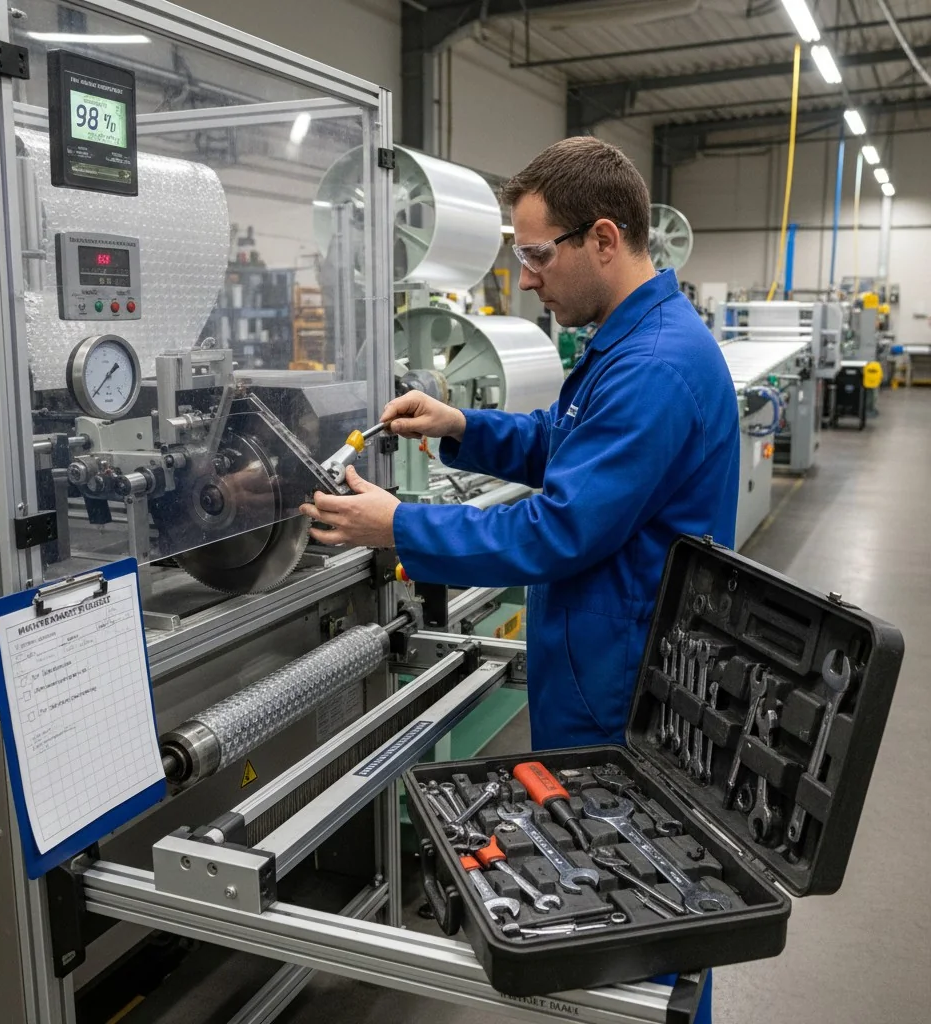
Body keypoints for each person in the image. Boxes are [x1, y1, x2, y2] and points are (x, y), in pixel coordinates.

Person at [301, 136, 739, 1022]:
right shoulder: (627, 339)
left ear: (604, 240)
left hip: (625, 682)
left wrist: (400, 527)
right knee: (610, 898)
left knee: (643, 925)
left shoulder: (653, 364)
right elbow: (563, 447)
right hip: (600, 658)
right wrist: (462, 424)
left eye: (537, 254)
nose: (526, 275)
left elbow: (561, 527)